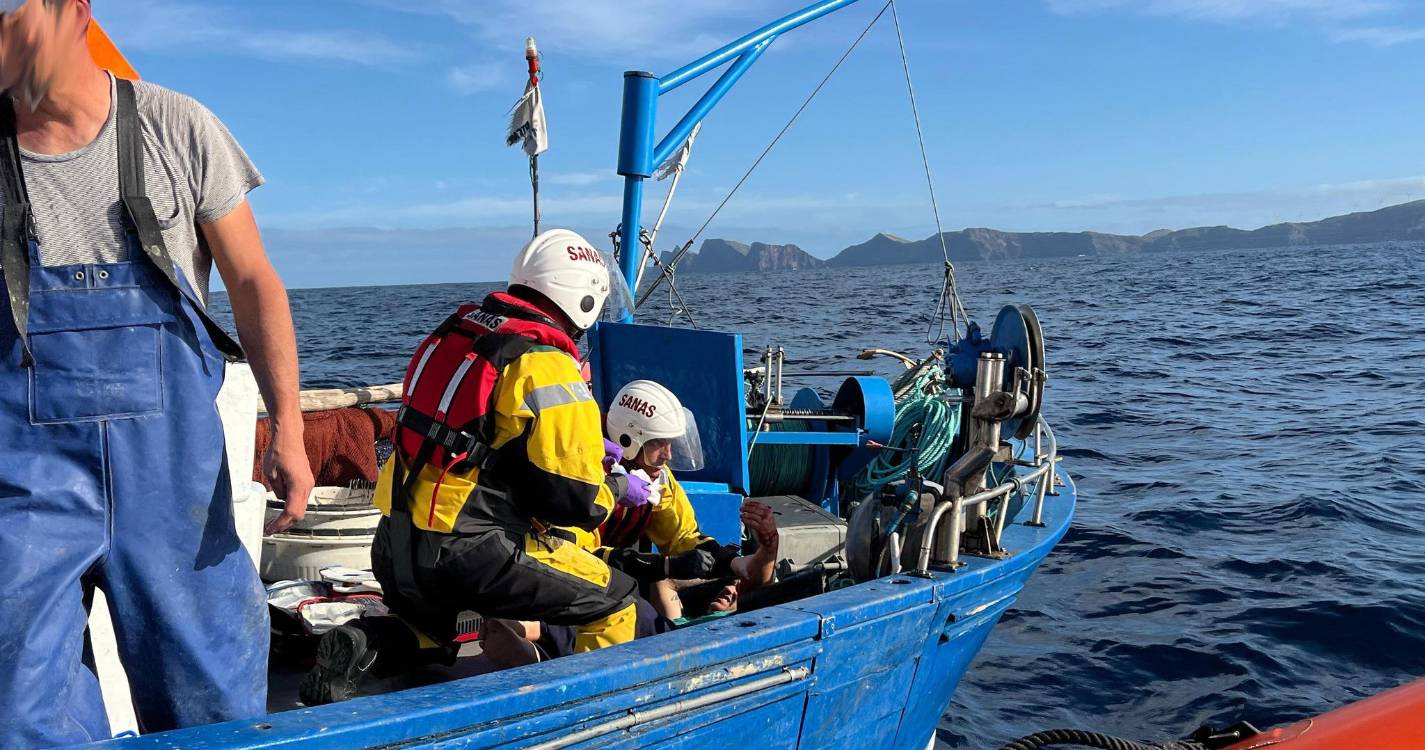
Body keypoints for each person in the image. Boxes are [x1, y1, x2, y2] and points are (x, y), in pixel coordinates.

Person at [0, 2, 313, 747]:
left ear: (73, 13)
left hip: (174, 481)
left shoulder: (175, 125)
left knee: (211, 695)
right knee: (18, 698)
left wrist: (289, 428)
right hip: (26, 482)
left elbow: (252, 283)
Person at [300, 228, 637, 706]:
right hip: (469, 553)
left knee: (442, 630)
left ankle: (364, 643)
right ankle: (588, 716)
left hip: (397, 544)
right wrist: (617, 488)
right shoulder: (546, 362)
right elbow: (575, 501)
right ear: (583, 297)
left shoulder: (454, 334)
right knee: (614, 601)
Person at [590, 381, 779, 621]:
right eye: (659, 443)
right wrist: (664, 567)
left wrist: (730, 562)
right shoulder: (586, 473)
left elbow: (682, 536)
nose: (668, 455)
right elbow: (577, 556)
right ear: (627, 439)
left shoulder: (655, 477)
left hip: (609, 577)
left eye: (671, 443)